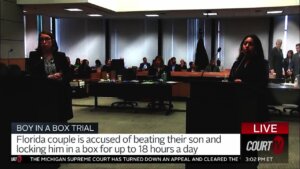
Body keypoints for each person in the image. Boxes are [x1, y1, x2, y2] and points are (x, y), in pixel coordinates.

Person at [229, 34, 269, 169]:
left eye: (250, 44)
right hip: (237, 105)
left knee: (249, 139)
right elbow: (231, 79)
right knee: (237, 138)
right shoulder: (237, 63)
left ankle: (251, 164)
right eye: (245, 43)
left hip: (252, 106)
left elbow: (261, 84)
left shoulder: (262, 64)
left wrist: (243, 83)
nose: (246, 46)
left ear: (256, 47)